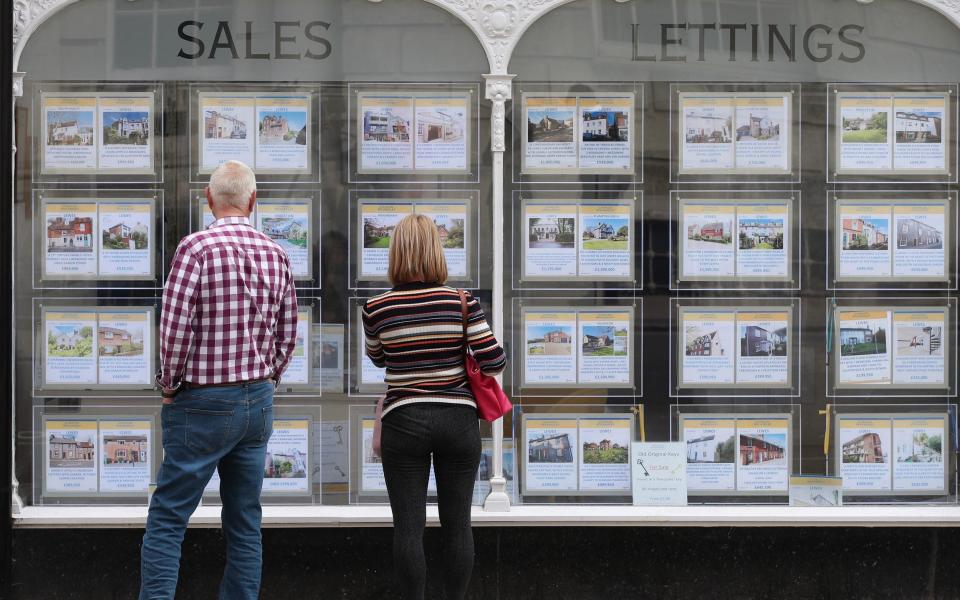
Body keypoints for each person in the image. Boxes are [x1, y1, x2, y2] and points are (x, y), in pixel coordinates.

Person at [140, 160, 299, 600]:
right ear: (253, 201)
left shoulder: (196, 249)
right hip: (257, 401)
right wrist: (268, 379)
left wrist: (169, 384)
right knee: (245, 521)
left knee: (170, 517)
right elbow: (288, 335)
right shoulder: (276, 252)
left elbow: (174, 330)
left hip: (203, 402)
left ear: (209, 200)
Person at [362, 214, 506, 600]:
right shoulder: (462, 302)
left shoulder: (375, 308)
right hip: (457, 421)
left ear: (395, 254)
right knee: (458, 524)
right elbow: (494, 362)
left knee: (408, 527)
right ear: (437, 251)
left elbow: (377, 358)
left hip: (402, 420)